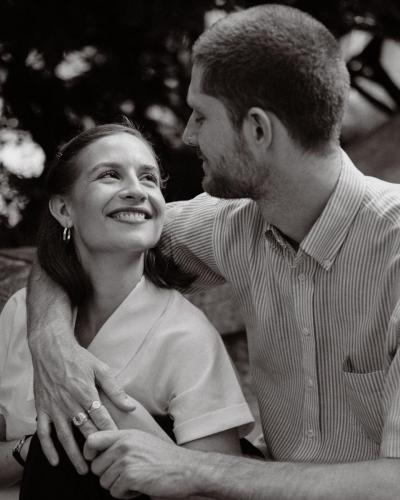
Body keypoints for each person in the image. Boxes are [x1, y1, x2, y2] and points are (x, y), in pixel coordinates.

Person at [25, 4, 400, 499]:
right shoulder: (236, 224)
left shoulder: (392, 249)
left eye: (201, 115)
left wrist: (191, 468)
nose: (187, 134)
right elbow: (84, 244)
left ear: (258, 130)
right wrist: (51, 342)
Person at [0, 123, 254, 499]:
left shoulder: (186, 336)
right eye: (109, 175)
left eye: (149, 178)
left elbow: (217, 490)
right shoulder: (21, 313)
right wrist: (34, 449)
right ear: (64, 209)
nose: (136, 190)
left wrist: (112, 424)